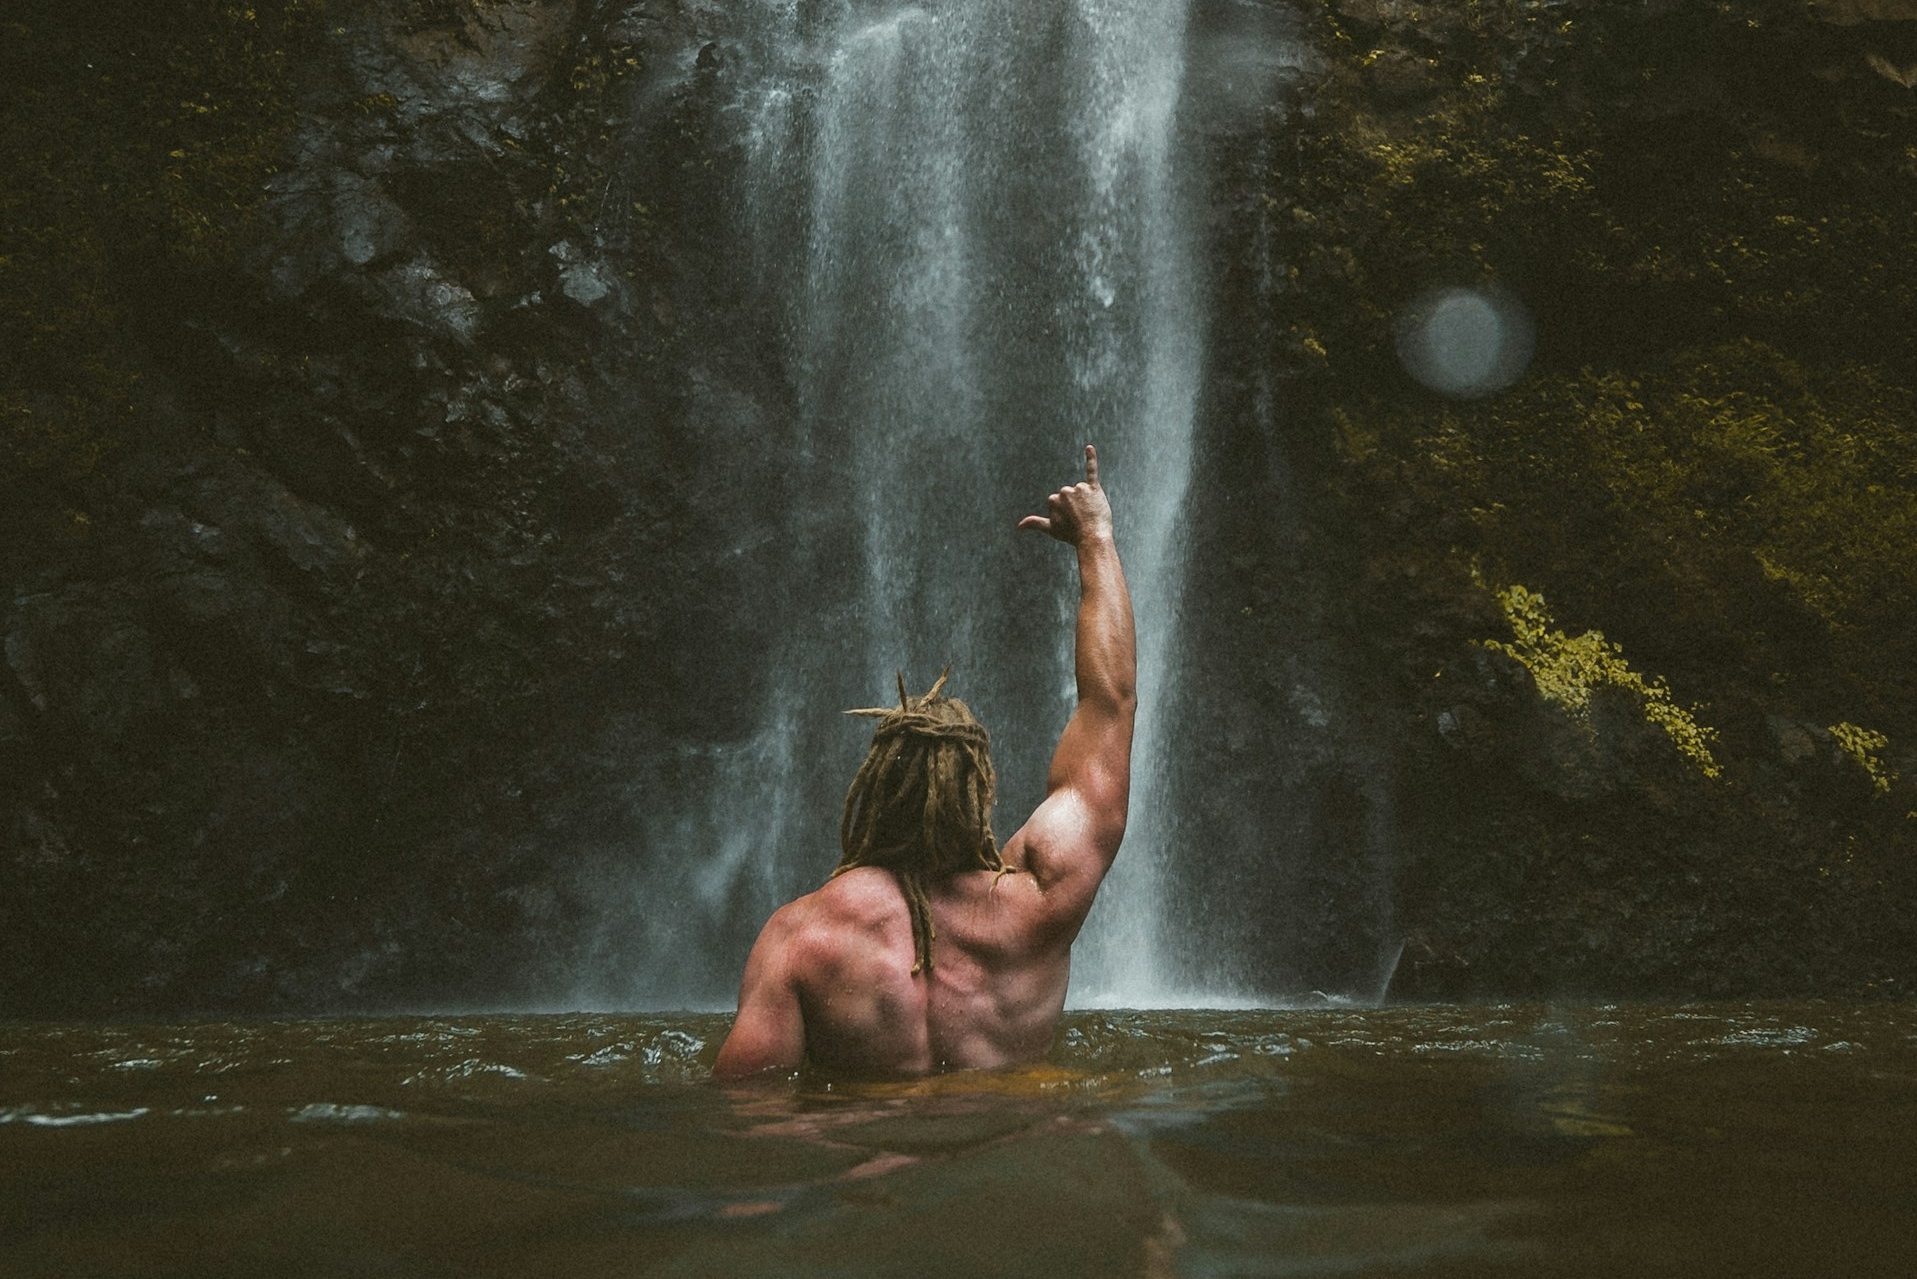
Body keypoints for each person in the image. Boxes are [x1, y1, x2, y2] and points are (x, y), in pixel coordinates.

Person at [713, 445, 1137, 1079]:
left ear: (875, 789)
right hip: (1005, 1153)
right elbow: (1112, 705)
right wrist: (1096, 540)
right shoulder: (1040, 898)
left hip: (878, 1163)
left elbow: (747, 1109)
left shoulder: (802, 939)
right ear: (978, 789)